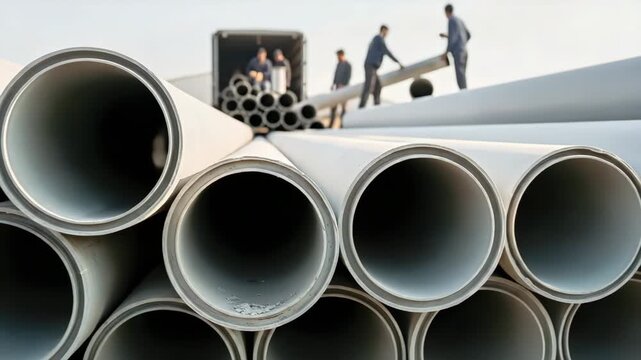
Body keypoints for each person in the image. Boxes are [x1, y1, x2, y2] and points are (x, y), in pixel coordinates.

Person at [358, 25, 404, 108]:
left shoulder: (375, 39)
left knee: (378, 86)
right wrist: (398, 62)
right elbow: (387, 51)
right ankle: (361, 108)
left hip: (372, 67)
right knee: (369, 86)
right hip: (370, 66)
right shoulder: (379, 39)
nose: (387, 34)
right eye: (386, 32)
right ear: (383, 30)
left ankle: (377, 107)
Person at [440, 4, 471, 89]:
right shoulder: (460, 20)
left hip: (458, 52)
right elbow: (468, 35)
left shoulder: (451, 20)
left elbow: (452, 39)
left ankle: (464, 95)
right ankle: (465, 92)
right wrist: (461, 43)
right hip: (464, 51)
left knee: (460, 76)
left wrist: (446, 53)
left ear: (446, 12)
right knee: (463, 74)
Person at [330, 49, 352, 128]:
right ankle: (331, 124)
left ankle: (342, 125)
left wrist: (344, 84)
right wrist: (333, 84)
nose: (337, 57)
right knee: (333, 106)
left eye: (338, 55)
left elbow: (348, 76)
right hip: (336, 88)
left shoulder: (348, 65)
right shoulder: (338, 64)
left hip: (344, 89)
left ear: (342, 55)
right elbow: (335, 76)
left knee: (343, 108)